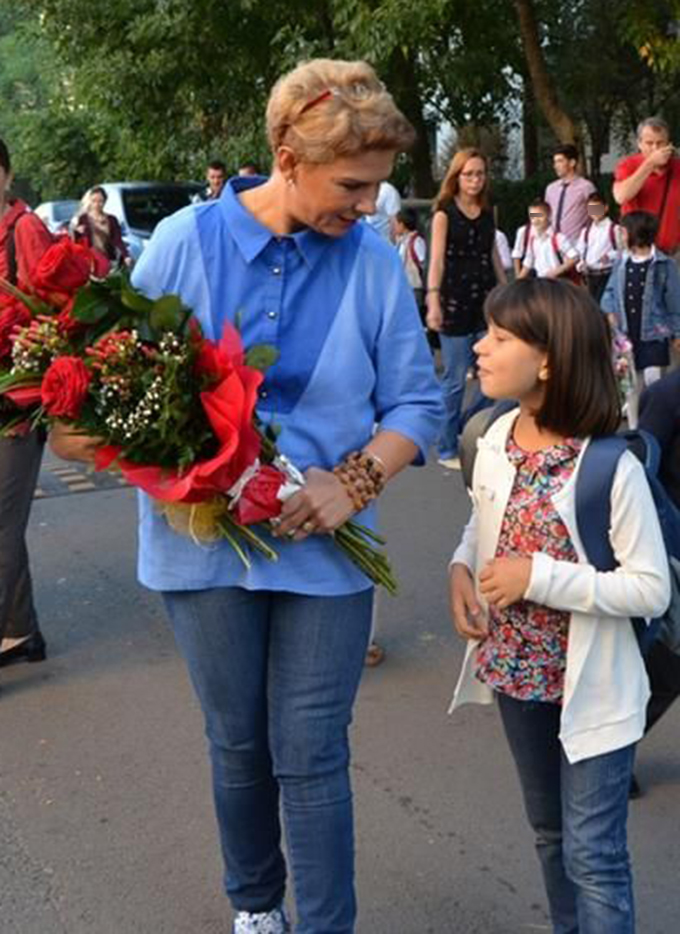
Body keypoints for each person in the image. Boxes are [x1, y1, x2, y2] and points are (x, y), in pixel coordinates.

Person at [50, 58, 442, 934]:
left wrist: (357, 480)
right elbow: (118, 379)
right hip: (200, 544)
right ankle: (257, 909)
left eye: (378, 186)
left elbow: (416, 401)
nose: (370, 204)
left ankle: (326, 925)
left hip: (326, 555)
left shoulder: (373, 261)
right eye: (354, 184)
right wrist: (98, 428)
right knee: (238, 746)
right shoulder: (187, 240)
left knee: (310, 754)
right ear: (286, 155)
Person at [449, 278, 669, 933]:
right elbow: (481, 516)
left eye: (500, 337)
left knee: (596, 853)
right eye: (484, 334)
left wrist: (538, 577)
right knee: (549, 832)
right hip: (520, 676)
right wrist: (462, 565)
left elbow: (651, 588)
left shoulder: (608, 466)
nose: (479, 350)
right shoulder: (493, 433)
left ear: (548, 360)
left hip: (595, 687)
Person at [0, 138, 54, 673]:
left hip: (16, 402)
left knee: (0, 524)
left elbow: (55, 312)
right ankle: (21, 632)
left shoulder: (25, 230)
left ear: (7, 175)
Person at [426, 148, 506, 470]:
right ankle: (446, 447)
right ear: (456, 177)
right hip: (454, 303)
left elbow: (493, 255)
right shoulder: (444, 213)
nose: (475, 179)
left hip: (486, 302)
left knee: (495, 374)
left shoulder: (488, 211)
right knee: (456, 380)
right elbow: (436, 260)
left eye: (480, 173)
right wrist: (433, 300)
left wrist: (506, 291)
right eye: (469, 173)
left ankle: (464, 423)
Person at [601, 210, 680, 428]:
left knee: (654, 381)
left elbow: (675, 301)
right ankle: (634, 429)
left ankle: (659, 424)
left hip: (655, 333)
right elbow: (609, 290)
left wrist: (677, 332)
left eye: (623, 232)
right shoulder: (621, 261)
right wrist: (608, 311)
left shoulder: (664, 264)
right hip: (626, 334)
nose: (620, 236)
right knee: (630, 385)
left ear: (636, 233)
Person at [613, 116, 680, 258]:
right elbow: (621, 196)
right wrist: (650, 164)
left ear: (669, 144)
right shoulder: (628, 165)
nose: (655, 148)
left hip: (672, 252)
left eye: (660, 143)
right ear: (640, 144)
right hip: (636, 252)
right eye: (649, 143)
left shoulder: (677, 168)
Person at [575, 190, 623, 302]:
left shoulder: (614, 229)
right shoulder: (586, 231)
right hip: (590, 276)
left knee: (606, 305)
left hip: (608, 273)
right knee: (592, 305)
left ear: (605, 208)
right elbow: (580, 252)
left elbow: (623, 251)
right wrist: (581, 264)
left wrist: (610, 256)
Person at [544, 144, 596, 244]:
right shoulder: (550, 189)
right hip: (553, 243)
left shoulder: (586, 187)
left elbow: (595, 215)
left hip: (577, 243)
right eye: (555, 162)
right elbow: (546, 214)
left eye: (560, 161)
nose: (555, 166)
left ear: (572, 162)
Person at [518, 198, 579, 281]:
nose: (536, 220)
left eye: (540, 215)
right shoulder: (532, 240)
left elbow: (574, 257)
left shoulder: (558, 238)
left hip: (559, 281)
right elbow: (528, 263)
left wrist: (556, 271)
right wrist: (517, 282)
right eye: (532, 216)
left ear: (549, 215)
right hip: (541, 281)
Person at [73, 186, 130, 267]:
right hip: (90, 262)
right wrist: (77, 232)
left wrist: (126, 256)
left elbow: (118, 240)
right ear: (90, 201)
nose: (97, 204)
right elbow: (78, 243)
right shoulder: (83, 219)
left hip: (109, 260)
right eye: (94, 201)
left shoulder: (112, 219)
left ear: (105, 202)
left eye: (100, 201)